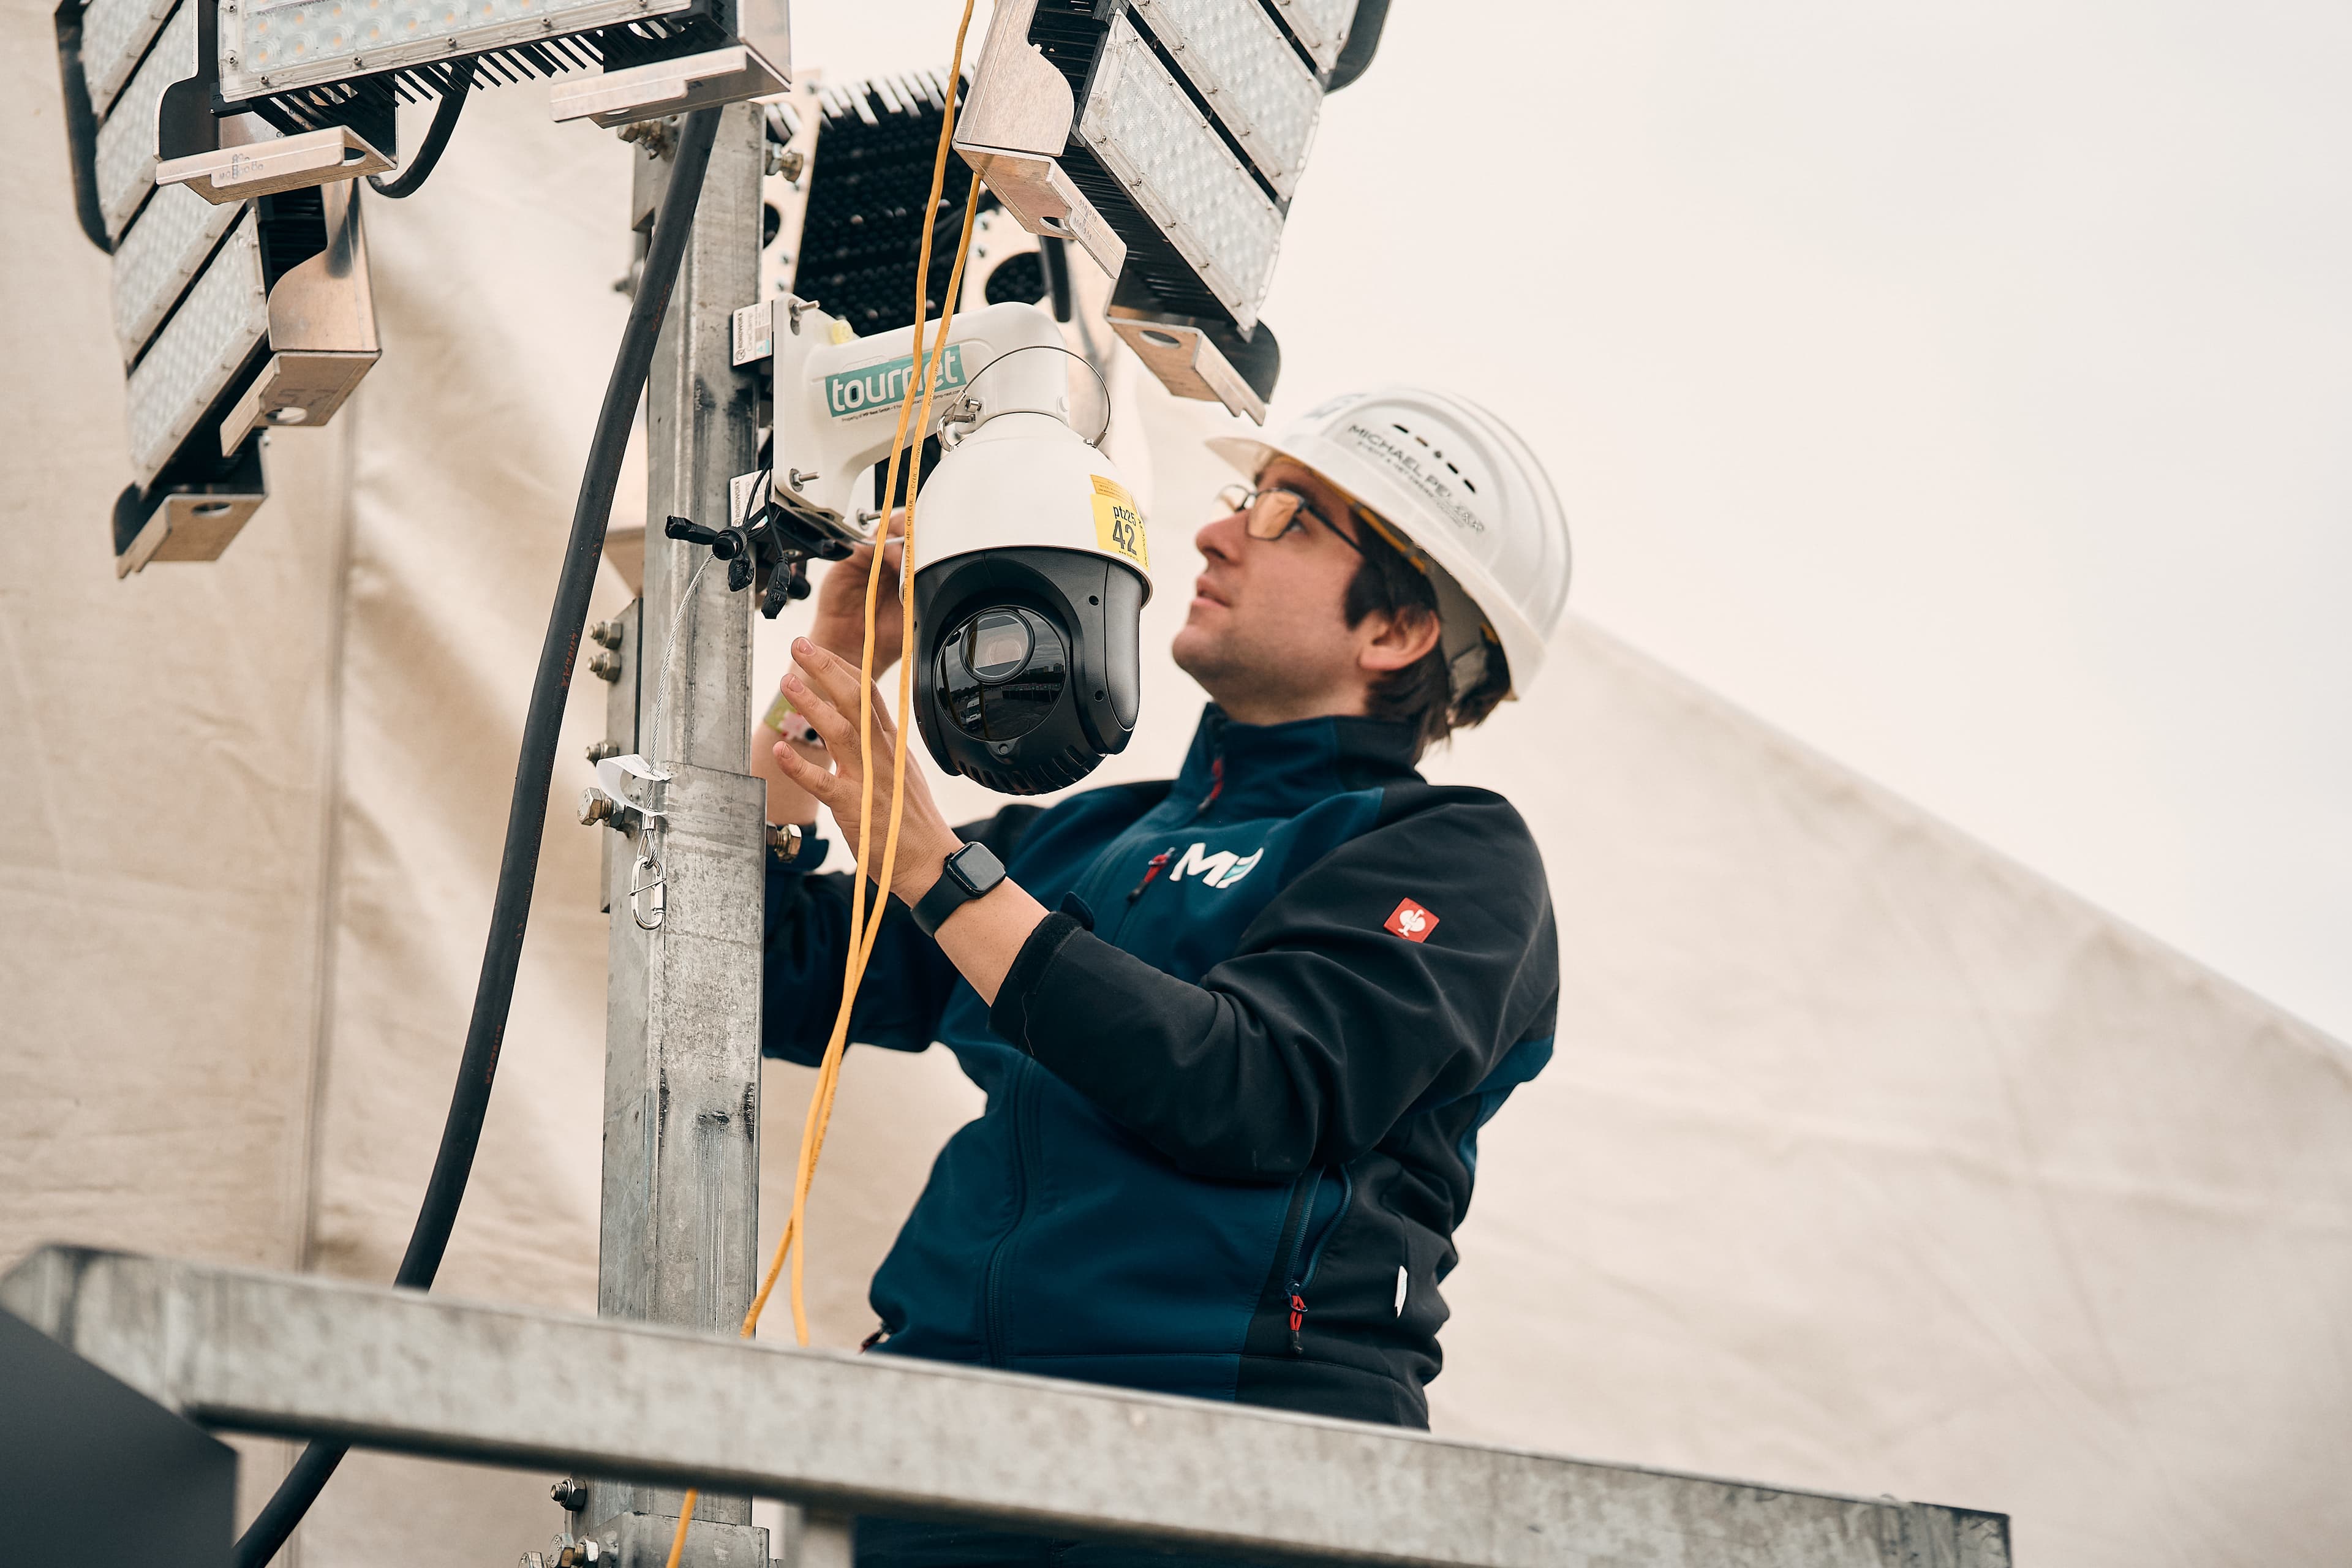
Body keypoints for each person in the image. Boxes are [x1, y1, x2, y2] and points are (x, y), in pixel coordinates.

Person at [755, 388, 1570, 1565]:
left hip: (1230, 1480)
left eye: (1288, 515)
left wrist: (929, 862)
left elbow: (1254, 1088)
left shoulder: (1452, 853)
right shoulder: (1078, 839)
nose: (1214, 531)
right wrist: (829, 667)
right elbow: (765, 973)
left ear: (1395, 633)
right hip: (934, 1449)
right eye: (1246, 496)